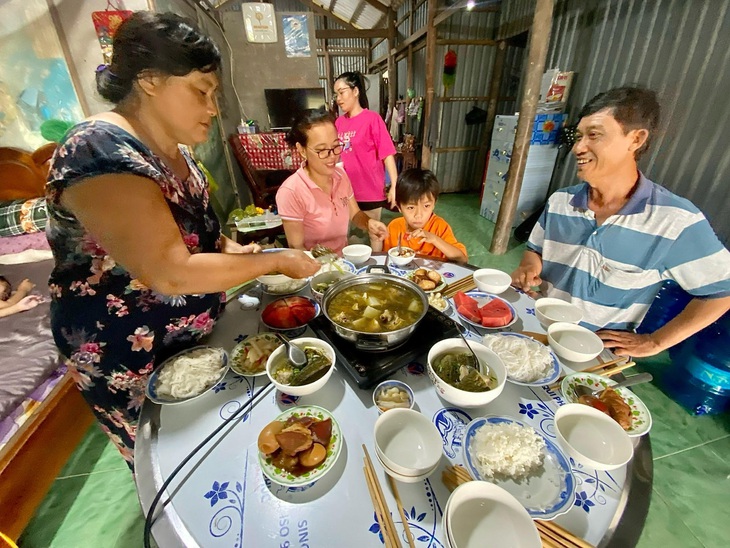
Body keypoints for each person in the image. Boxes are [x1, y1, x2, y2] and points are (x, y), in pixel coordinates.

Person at [45, 12, 320, 469]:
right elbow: (169, 271)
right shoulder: (98, 149)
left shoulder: (181, 156)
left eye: (215, 95)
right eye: (200, 92)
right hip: (128, 356)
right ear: (150, 80)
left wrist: (236, 251)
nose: (213, 108)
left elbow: (198, 239)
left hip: (191, 343)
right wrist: (274, 260)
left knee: (212, 455)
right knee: (170, 467)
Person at [511, 86, 730, 357]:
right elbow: (535, 250)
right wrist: (527, 266)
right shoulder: (560, 202)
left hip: (593, 356)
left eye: (594, 135)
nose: (579, 147)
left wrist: (654, 342)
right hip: (537, 333)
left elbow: (722, 292)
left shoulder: (675, 221)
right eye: (578, 137)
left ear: (635, 139)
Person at [276, 110, 388, 254]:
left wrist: (369, 223)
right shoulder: (291, 191)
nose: (332, 157)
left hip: (343, 262)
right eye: (322, 150)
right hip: (313, 268)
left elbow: (355, 214)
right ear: (302, 150)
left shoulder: (341, 176)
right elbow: (297, 249)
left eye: (336, 146)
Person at [333, 72, 399, 223]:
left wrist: (395, 185)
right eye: (336, 94)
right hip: (346, 191)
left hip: (370, 191)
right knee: (350, 236)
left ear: (355, 91)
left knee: (374, 233)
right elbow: (336, 155)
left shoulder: (372, 119)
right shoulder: (338, 123)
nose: (338, 99)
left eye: (342, 93)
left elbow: (387, 154)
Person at [374, 168, 467, 264]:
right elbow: (385, 259)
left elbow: (462, 259)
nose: (418, 215)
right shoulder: (394, 227)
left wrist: (435, 239)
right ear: (399, 207)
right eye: (411, 207)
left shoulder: (440, 227)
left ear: (434, 203)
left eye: (426, 206)